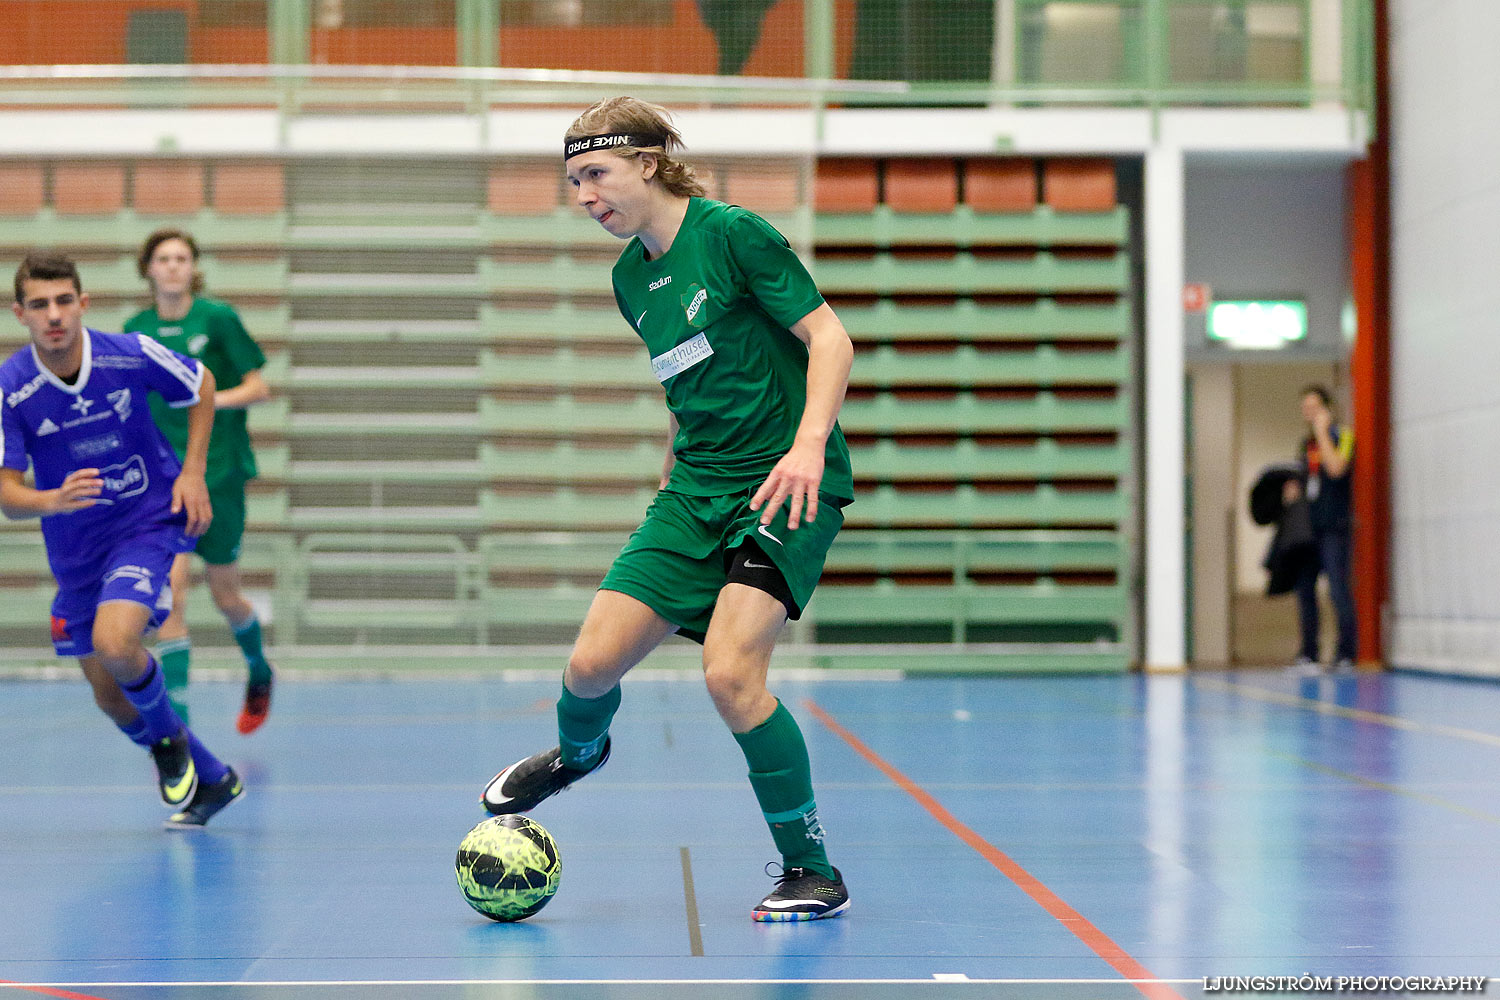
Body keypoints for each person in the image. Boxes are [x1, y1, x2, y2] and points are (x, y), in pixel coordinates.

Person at [482, 97, 856, 922]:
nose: (584, 195)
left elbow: (831, 340)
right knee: (587, 668)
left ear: (649, 163)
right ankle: (579, 756)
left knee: (729, 671)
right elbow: (689, 386)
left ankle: (811, 869)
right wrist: (668, 479)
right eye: (573, 180)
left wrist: (808, 445)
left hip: (784, 484)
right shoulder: (630, 279)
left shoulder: (732, 235)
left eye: (596, 175)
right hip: (694, 489)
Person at [1, 251, 243, 827]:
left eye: (64, 301)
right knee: (109, 694)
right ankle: (213, 779)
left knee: (117, 642)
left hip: (145, 523)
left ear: (83, 304)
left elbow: (202, 383)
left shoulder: (127, 353)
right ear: (21, 314)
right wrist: (49, 500)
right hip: (75, 551)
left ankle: (168, 748)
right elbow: (7, 492)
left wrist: (191, 472)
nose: (54, 315)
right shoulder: (10, 388)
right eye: (40, 305)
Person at [125, 229, 274, 733]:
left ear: (193, 268)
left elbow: (259, 386)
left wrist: (207, 400)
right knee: (171, 596)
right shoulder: (136, 331)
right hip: (166, 483)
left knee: (225, 595)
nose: (172, 266)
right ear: (148, 268)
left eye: (181, 258)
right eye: (162, 259)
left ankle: (258, 667)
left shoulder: (218, 319)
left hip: (221, 473)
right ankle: (179, 728)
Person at [1284, 384, 1357, 674]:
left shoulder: (1341, 436)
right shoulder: (1306, 445)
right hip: (1308, 530)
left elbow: (1336, 468)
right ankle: (1309, 654)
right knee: (1305, 591)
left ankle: (1346, 653)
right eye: (1306, 408)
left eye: (1314, 407)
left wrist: (1324, 431)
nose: (1309, 413)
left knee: (1338, 590)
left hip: (1334, 527)